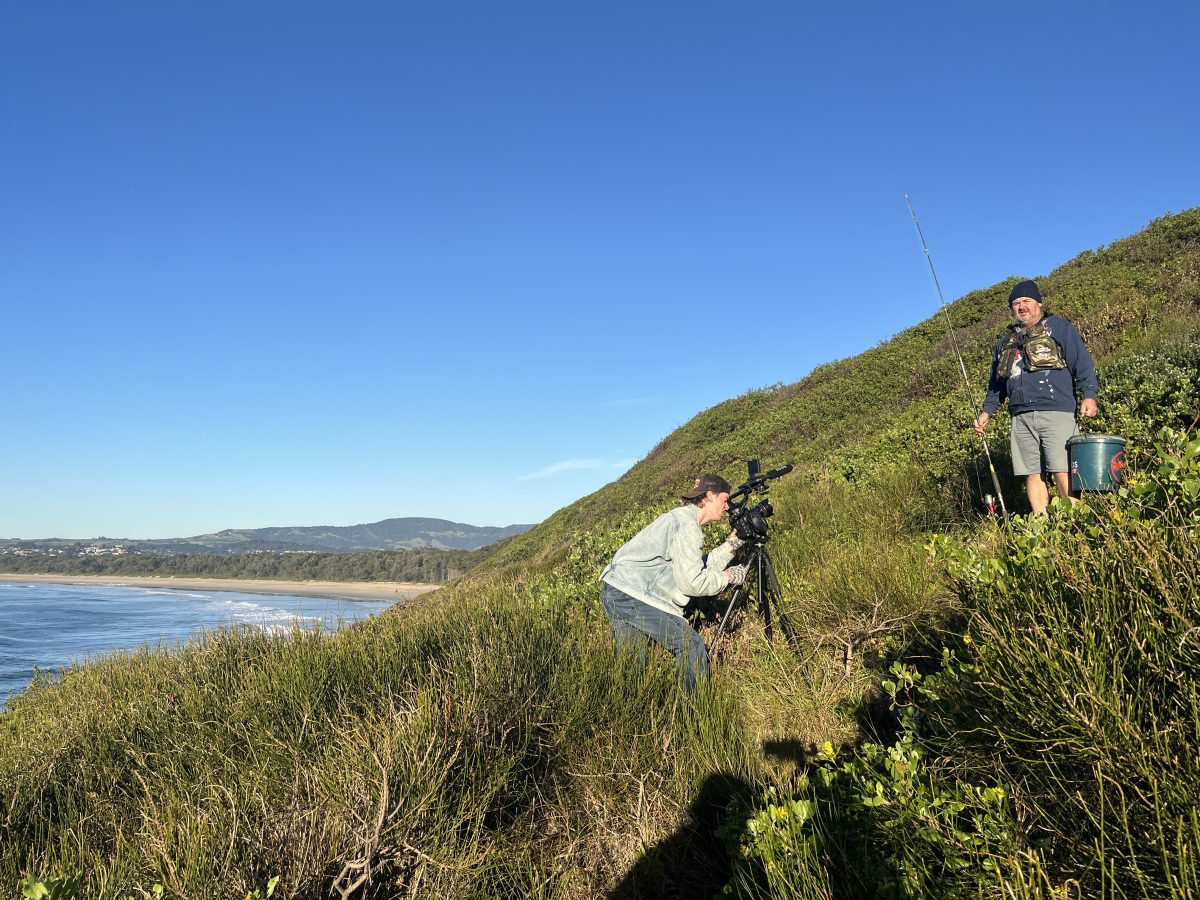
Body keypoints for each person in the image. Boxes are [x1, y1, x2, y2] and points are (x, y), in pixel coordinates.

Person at [599, 474, 748, 694]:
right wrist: (727, 578)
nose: (727, 506)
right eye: (724, 499)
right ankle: (692, 716)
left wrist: (731, 545)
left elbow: (694, 567)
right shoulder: (688, 526)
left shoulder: (682, 519)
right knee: (691, 646)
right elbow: (693, 584)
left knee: (632, 668)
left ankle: (628, 714)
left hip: (616, 591)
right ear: (708, 497)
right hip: (634, 596)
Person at [974, 279, 1099, 514]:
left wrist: (1089, 395)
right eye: (1016, 303)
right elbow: (996, 384)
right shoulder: (1005, 342)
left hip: (1056, 411)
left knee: (1062, 469)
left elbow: (1082, 363)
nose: (1021, 306)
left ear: (1038, 304)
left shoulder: (1059, 328)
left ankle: (1073, 524)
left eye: (1026, 301)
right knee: (1032, 472)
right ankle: (1043, 529)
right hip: (1020, 416)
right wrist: (986, 412)